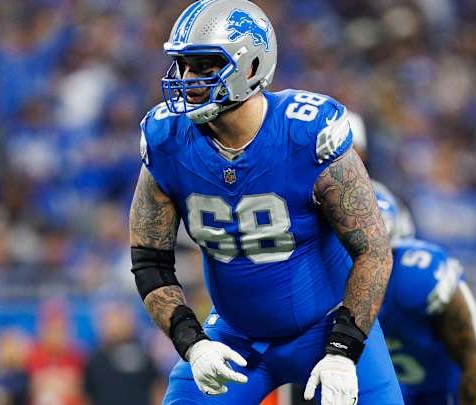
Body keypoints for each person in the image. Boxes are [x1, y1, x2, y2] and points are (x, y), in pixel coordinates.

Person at [128, 1, 402, 404]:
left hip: (325, 328)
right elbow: (149, 260)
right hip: (234, 335)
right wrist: (193, 344)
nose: (188, 79)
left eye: (204, 66)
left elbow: (373, 251)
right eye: (184, 66)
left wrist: (344, 349)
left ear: (252, 66)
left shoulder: (306, 133)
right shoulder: (167, 140)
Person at [374, 185, 476, 405]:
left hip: (473, 372)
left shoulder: (415, 276)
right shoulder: (327, 287)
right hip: (416, 387)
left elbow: (473, 361)